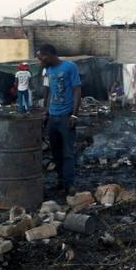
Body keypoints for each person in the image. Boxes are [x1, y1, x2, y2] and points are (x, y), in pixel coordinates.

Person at [37, 44, 81, 194]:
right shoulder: (47, 70)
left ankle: (69, 184)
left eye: (41, 57)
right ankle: (61, 181)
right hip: (52, 116)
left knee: (68, 152)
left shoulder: (70, 67)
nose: (39, 60)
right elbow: (47, 90)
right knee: (56, 152)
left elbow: (77, 90)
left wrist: (74, 114)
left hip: (66, 116)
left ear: (49, 54)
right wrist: (45, 112)